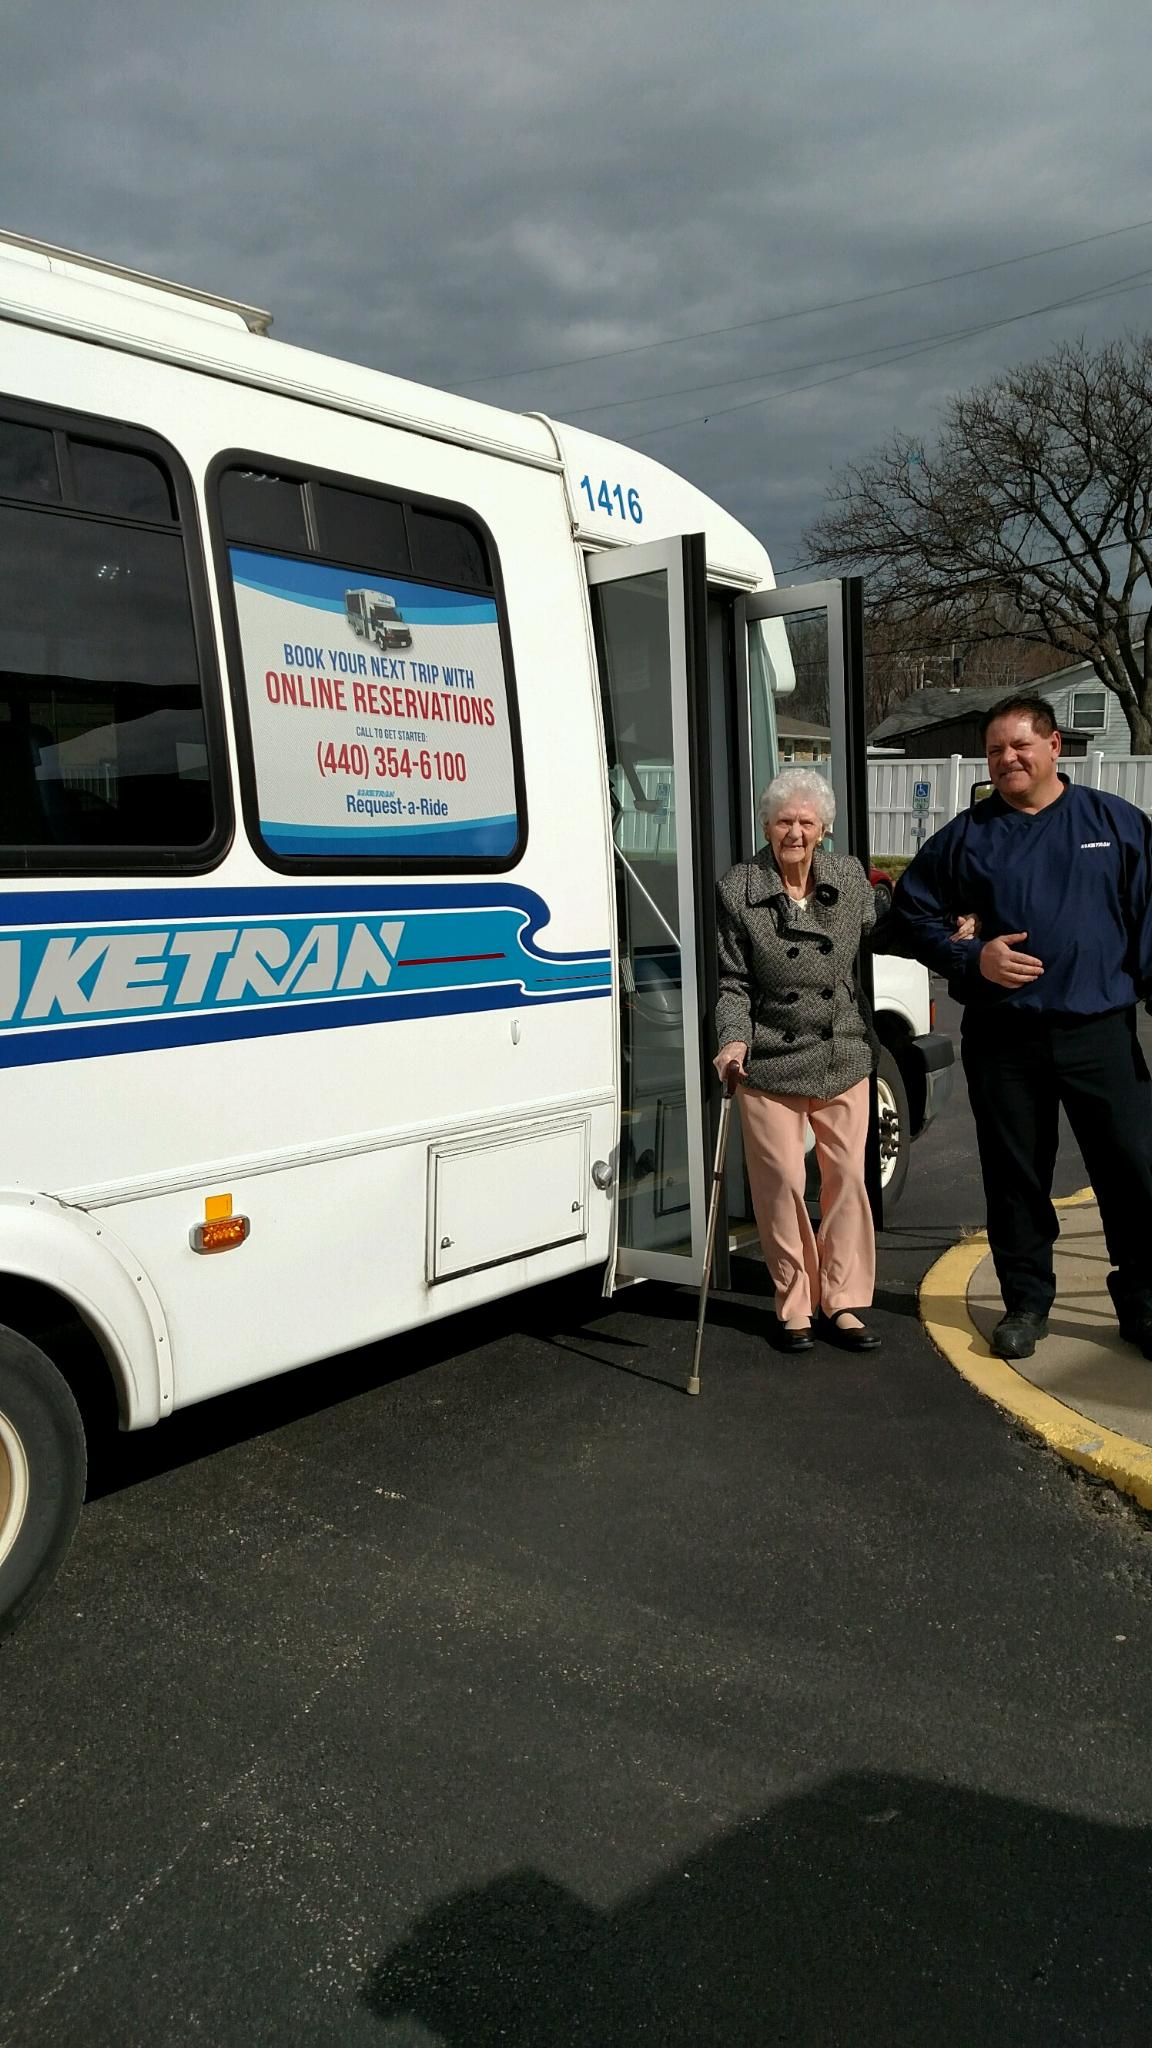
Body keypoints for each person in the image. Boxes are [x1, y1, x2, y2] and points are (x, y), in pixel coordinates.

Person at [885, 692, 1152, 1361]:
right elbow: (905, 918)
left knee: (1132, 1172)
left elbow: (1150, 921)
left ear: (1054, 746)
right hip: (1006, 1040)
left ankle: (1144, 1305)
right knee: (1015, 1178)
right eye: (996, 750)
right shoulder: (967, 837)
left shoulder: (1115, 824)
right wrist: (973, 955)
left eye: (1019, 746)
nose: (1007, 759)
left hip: (1101, 1033)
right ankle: (1026, 1303)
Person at [714, 767, 881, 1355]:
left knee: (849, 1180)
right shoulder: (740, 888)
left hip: (841, 1052)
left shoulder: (849, 879)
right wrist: (733, 1040)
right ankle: (793, 1302)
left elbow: (889, 925)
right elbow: (733, 981)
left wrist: (963, 924)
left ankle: (842, 1301)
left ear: (824, 828)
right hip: (771, 1057)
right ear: (766, 825)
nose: (795, 832)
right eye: (784, 821)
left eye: (806, 822)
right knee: (782, 1182)